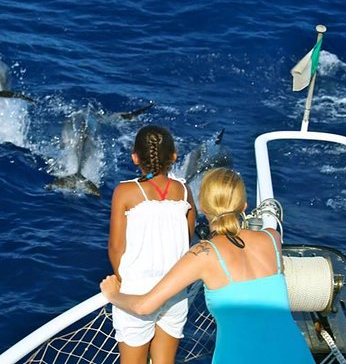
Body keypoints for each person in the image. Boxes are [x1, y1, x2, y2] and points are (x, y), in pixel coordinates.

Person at [102, 167, 315, 364]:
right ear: (244, 206)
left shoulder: (203, 254)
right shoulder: (272, 238)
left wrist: (113, 294)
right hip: (295, 355)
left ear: (202, 207)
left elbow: (144, 306)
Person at [108, 125, 197, 364]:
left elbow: (116, 247)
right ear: (174, 156)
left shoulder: (124, 192)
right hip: (174, 291)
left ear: (135, 157)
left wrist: (122, 280)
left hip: (137, 294)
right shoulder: (184, 191)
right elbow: (187, 238)